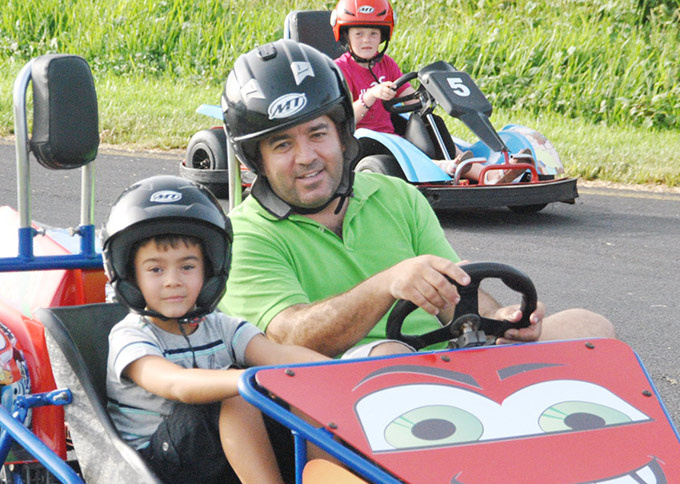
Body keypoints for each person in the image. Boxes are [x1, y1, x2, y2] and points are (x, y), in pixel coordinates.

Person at [218, 39, 614, 359]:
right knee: (387, 355)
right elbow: (290, 337)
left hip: (448, 365)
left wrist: (502, 318)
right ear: (257, 159)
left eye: (317, 134)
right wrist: (386, 285)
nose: (306, 157)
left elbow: (452, 291)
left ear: (341, 133)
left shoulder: (395, 196)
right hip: (344, 394)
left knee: (589, 327)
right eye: (283, 144)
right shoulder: (245, 235)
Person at [103, 175, 327, 484]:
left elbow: (279, 355)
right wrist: (245, 380)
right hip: (157, 467)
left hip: (218, 452)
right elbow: (175, 383)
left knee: (303, 384)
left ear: (210, 271)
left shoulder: (221, 325)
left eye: (187, 267)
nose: (173, 280)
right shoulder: (131, 336)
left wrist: (338, 373)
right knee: (237, 392)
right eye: (156, 269)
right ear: (130, 277)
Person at [329, 0, 529, 184]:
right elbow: (344, 118)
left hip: (391, 136)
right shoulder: (339, 69)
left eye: (373, 34)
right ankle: (444, 166)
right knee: (392, 147)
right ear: (346, 35)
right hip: (359, 141)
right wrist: (371, 95)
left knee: (429, 121)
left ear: (383, 36)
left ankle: (487, 173)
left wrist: (427, 98)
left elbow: (409, 99)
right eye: (359, 34)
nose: (366, 40)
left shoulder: (387, 64)